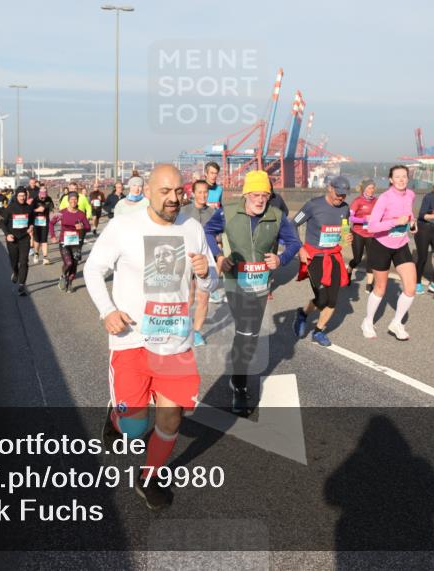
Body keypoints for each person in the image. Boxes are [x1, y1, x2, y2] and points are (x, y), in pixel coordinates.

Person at [84, 164, 216, 510]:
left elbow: (210, 278)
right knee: (134, 427)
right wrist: (107, 311)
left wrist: (204, 274)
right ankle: (117, 419)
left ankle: (149, 477)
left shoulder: (192, 227)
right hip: (131, 340)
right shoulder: (123, 226)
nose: (174, 199)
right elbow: (93, 269)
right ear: (148, 191)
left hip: (175, 342)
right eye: (165, 192)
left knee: (171, 417)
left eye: (178, 192)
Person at [209, 171, 301, 414]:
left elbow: (294, 243)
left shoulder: (277, 216)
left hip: (260, 284)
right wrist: (219, 257)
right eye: (256, 195)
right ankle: (239, 386)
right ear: (246, 194)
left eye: (265, 195)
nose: (260, 200)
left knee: (248, 334)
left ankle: (237, 367)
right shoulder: (227, 212)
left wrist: (281, 259)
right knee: (247, 331)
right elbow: (207, 232)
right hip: (235, 281)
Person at [292, 176, 353, 347]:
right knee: (322, 297)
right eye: (338, 193)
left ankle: (318, 331)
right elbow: (292, 225)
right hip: (314, 257)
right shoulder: (313, 205)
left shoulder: (345, 208)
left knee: (332, 300)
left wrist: (347, 236)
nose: (340, 198)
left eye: (344, 195)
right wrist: (300, 248)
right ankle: (303, 314)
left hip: (333, 256)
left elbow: (344, 232)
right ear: (329, 188)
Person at [362, 165, 417, 341]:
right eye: (397, 177)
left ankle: (397, 322)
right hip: (381, 245)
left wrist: (413, 224)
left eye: (404, 176)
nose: (401, 180)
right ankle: (368, 321)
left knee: (410, 288)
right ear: (391, 180)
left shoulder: (410, 194)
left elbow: (409, 214)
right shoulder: (385, 198)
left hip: (401, 244)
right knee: (380, 288)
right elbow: (372, 227)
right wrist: (393, 222)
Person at [179, 179, 223, 347]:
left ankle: (196, 332)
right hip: (187, 258)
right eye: (200, 192)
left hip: (207, 258)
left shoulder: (214, 213)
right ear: (193, 193)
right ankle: (184, 326)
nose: (203, 195)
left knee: (203, 297)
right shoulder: (183, 211)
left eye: (206, 192)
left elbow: (219, 236)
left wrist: (218, 251)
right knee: (188, 297)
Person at [50, 192, 92, 292]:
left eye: (75, 199)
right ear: (68, 201)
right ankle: (64, 275)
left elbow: (88, 227)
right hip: (64, 242)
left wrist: (82, 227)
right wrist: (52, 236)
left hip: (77, 243)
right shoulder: (62, 212)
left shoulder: (81, 214)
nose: (73, 201)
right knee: (68, 263)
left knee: (74, 264)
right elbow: (51, 224)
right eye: (71, 199)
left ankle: (69, 283)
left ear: (78, 200)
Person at [4, 187, 34, 296]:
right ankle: (15, 272)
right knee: (14, 261)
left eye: (24, 195)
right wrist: (7, 235)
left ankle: (22, 285)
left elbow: (31, 220)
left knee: (24, 261)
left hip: (24, 238)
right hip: (12, 239)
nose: (22, 197)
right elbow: (2, 222)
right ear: (16, 196)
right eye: (20, 195)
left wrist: (31, 226)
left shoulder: (29, 208)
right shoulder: (10, 208)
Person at [348, 179, 377, 289]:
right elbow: (350, 217)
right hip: (358, 233)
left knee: (371, 258)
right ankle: (349, 270)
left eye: (373, 188)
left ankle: (369, 284)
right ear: (364, 188)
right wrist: (364, 220)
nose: (371, 190)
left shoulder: (376, 201)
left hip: (371, 234)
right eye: (369, 187)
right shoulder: (357, 201)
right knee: (357, 259)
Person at [31, 186, 55, 265]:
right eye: (42, 196)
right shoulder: (35, 200)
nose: (43, 198)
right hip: (36, 222)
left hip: (45, 222)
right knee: (37, 240)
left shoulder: (49, 199)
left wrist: (52, 213)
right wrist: (37, 210)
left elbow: (52, 209)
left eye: (44, 196)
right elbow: (30, 211)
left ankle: (45, 257)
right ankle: (36, 253)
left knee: (44, 240)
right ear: (39, 193)